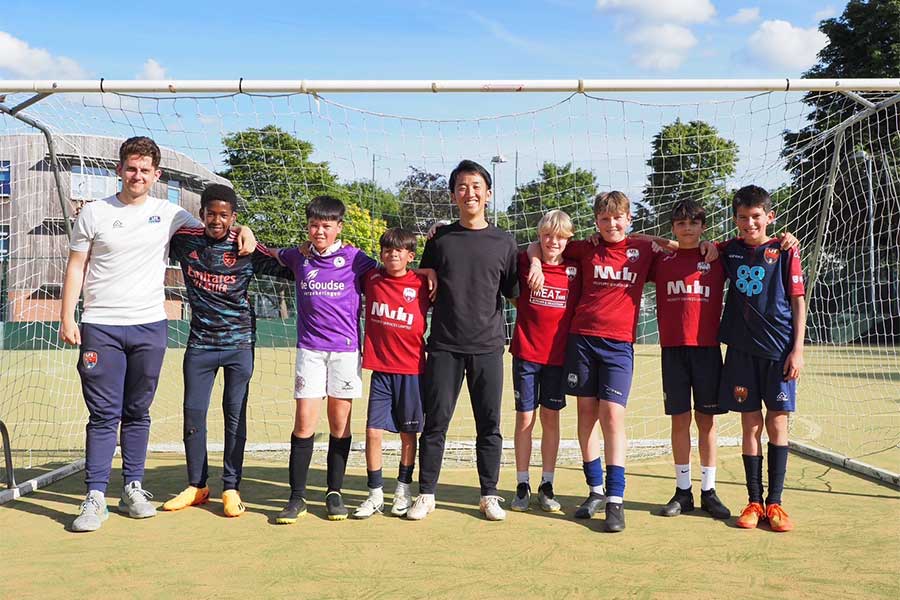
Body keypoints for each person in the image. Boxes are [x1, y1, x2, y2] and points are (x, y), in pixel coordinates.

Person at [60, 136, 255, 533]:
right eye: (131, 168)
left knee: (137, 412)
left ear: (156, 175)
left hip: (151, 325)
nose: (137, 176)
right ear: (119, 170)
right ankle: (95, 495)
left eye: (145, 170)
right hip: (102, 325)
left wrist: (247, 229)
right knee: (103, 415)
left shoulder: (170, 214)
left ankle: (133, 487)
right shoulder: (94, 213)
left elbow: (217, 228)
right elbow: (77, 265)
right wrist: (68, 316)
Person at [527, 191, 694, 532]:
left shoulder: (643, 250)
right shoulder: (585, 248)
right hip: (582, 341)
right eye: (604, 219)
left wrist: (663, 239)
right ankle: (595, 491)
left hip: (619, 347)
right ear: (596, 222)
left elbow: (682, 248)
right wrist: (533, 261)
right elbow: (541, 244)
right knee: (586, 416)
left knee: (613, 417)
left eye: (618, 218)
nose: (611, 224)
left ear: (628, 219)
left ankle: (616, 499)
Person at [160, 184, 293, 517]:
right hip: (200, 345)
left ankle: (231, 487)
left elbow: (289, 265)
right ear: (202, 212)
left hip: (239, 346)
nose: (216, 221)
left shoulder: (246, 246)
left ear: (233, 217)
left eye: (224, 215)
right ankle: (197, 485)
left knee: (234, 416)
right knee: (194, 413)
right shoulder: (184, 239)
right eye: (211, 213)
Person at [406, 159, 519, 522]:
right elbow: (422, 277)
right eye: (461, 187)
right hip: (444, 345)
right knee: (435, 422)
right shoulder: (440, 239)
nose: (469, 193)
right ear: (453, 195)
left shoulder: (504, 242)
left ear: (488, 193)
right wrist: (425, 267)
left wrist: (532, 261)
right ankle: (426, 494)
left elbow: (514, 291)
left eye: (475, 186)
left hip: (487, 346)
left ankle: (489, 494)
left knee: (490, 425)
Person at [274, 195, 377, 523]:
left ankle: (334, 492)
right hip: (310, 351)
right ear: (308, 227)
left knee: (339, 423)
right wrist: (244, 232)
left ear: (338, 228)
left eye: (326, 226)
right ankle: (297, 497)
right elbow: (266, 252)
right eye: (314, 225)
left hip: (345, 352)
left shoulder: (355, 259)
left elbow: (391, 269)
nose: (319, 231)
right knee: (304, 422)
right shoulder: (297, 257)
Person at [718, 185, 806, 532]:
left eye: (756, 216)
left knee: (778, 424)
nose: (749, 223)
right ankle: (754, 501)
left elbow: (798, 302)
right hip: (741, 351)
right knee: (750, 425)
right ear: (735, 219)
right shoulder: (728, 251)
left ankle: (776, 504)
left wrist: (798, 349)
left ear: (769, 217)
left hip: (779, 352)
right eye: (742, 217)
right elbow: (692, 248)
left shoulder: (785, 250)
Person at [648, 199, 731, 520]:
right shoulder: (663, 260)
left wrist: (712, 245)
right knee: (679, 420)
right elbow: (639, 241)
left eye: (694, 223)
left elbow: (745, 242)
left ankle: (709, 490)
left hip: (708, 350)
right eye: (681, 224)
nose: (687, 228)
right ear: (673, 227)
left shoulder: (717, 257)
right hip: (673, 351)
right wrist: (666, 243)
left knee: (707, 421)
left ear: (703, 226)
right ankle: (683, 492)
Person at [352, 228, 432, 519]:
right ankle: (375, 494)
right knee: (373, 431)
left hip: (412, 370)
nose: (392, 254)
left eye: (399, 250)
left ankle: (403, 489)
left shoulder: (423, 283)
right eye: (387, 249)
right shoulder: (371, 278)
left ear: (410, 256)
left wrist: (430, 271)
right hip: (382, 371)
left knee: (408, 434)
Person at [508, 210, 580, 514]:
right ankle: (522, 483)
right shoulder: (525, 261)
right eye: (547, 236)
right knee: (526, 419)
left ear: (568, 239)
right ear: (539, 236)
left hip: (557, 358)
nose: (553, 241)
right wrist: (535, 261)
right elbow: (524, 250)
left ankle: (546, 483)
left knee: (551, 419)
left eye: (560, 237)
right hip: (526, 354)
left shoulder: (576, 267)